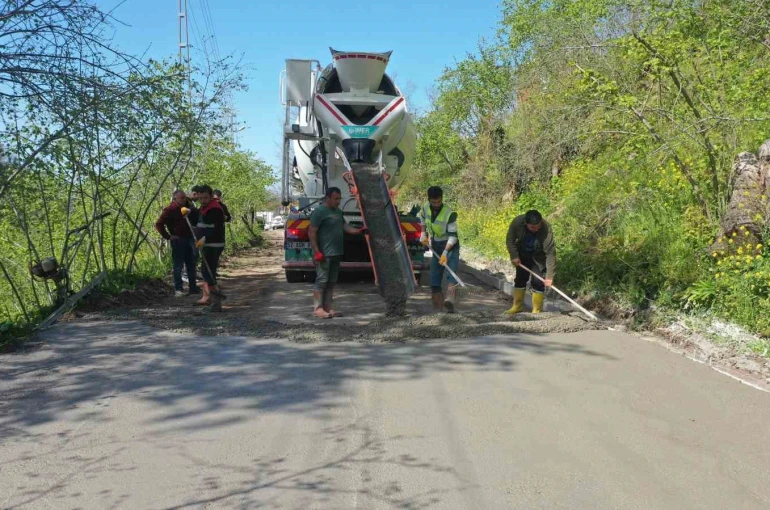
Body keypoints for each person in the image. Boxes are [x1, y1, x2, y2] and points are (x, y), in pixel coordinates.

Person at [308, 187, 366, 319]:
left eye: (339, 199)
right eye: (336, 199)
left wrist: (358, 231)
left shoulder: (338, 212)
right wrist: (316, 251)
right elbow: (312, 232)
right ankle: (318, 309)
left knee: (331, 281)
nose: (338, 201)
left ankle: (327, 308)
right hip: (324, 254)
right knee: (322, 281)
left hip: (336, 252)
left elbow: (345, 226)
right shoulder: (319, 212)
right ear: (327, 198)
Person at [505, 210, 556, 314]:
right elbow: (510, 241)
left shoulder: (546, 229)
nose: (536, 229)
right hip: (523, 254)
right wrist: (514, 256)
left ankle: (536, 310)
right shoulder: (517, 222)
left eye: (538, 226)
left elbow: (550, 253)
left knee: (538, 282)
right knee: (520, 279)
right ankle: (517, 306)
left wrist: (550, 276)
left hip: (538, 257)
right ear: (526, 223)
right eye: (533, 227)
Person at [419, 186, 460, 313]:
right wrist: (423, 234)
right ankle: (437, 313)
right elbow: (422, 219)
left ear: (442, 199)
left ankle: (450, 303)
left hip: (450, 246)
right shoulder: (425, 207)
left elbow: (453, 237)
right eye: (434, 202)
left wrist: (445, 253)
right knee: (434, 279)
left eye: (439, 201)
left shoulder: (450, 213)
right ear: (429, 200)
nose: (436, 204)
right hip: (436, 244)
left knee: (451, 275)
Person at [154, 190, 199, 297]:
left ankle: (193, 288)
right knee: (178, 266)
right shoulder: (170, 210)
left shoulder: (189, 207)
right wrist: (168, 236)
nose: (184, 200)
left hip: (190, 238)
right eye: (181, 198)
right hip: (178, 240)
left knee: (191, 264)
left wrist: (193, 212)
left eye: (184, 197)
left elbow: (196, 218)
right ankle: (178, 289)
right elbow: (159, 224)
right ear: (175, 199)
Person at [193, 185, 227, 312]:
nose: (202, 200)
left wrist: (205, 238)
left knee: (209, 272)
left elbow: (217, 228)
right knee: (206, 272)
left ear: (211, 196)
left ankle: (216, 303)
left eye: (205, 198)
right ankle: (210, 299)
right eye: (200, 198)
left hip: (214, 244)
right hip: (206, 244)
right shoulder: (203, 207)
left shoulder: (215, 209)